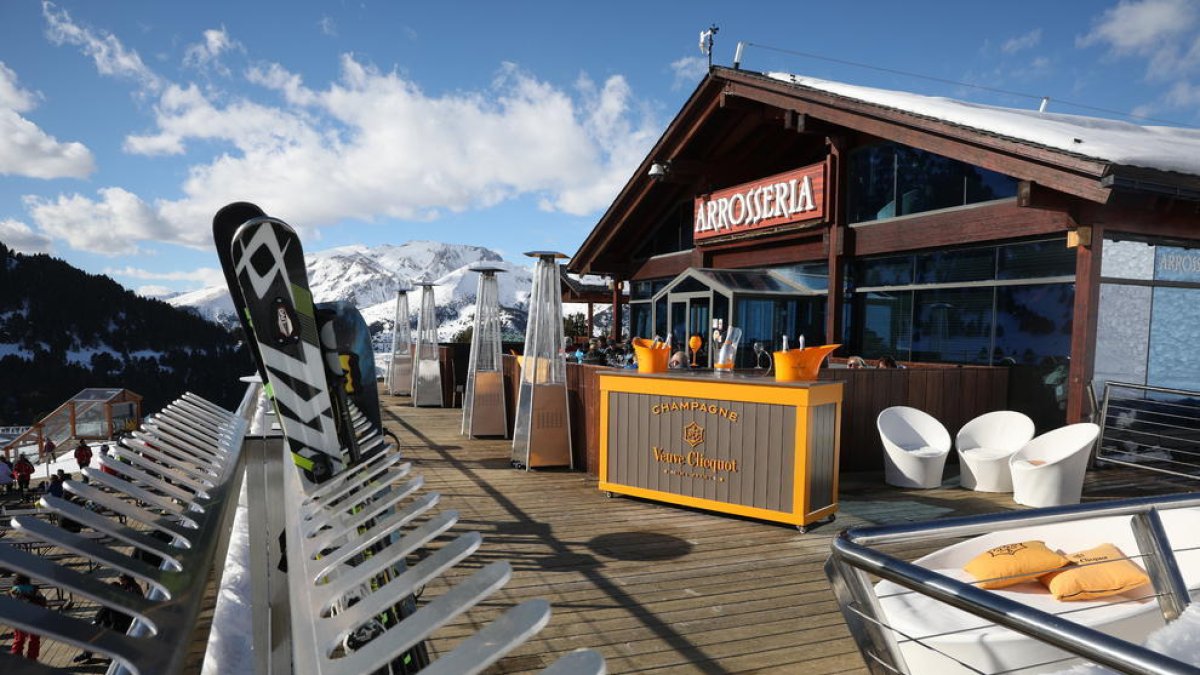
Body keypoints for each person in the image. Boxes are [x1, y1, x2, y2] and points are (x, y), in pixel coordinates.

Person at [73, 574, 143, 663]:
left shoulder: (134, 590)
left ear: (127, 579)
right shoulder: (125, 587)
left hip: (126, 620)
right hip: (116, 617)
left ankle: (110, 656)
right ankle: (87, 652)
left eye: (122, 579)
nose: (121, 582)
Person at [9, 574, 47, 660]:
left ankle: (16, 658)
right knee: (34, 639)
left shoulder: (14, 590)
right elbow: (43, 602)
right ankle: (32, 658)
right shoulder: (34, 589)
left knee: (19, 639)